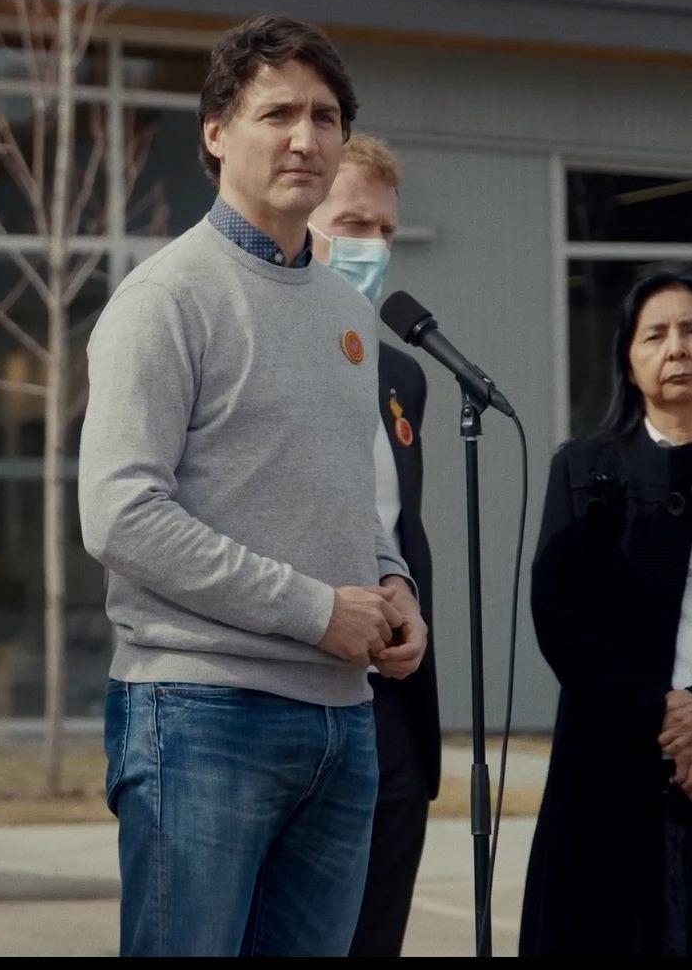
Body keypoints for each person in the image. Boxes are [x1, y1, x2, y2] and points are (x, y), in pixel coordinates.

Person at [79, 15, 427, 957]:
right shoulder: (167, 299)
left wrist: (392, 584)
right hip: (200, 715)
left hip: (342, 722)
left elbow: (356, 497)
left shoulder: (350, 318)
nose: (305, 138)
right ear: (216, 131)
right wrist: (316, 609)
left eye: (325, 117)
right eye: (277, 113)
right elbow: (120, 514)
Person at [521, 269, 692, 956]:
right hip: (616, 766)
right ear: (630, 363)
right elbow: (562, 615)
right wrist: (662, 719)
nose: (677, 348)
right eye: (655, 335)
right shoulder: (585, 469)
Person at [307, 132, 440, 957]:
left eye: (385, 231)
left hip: (390, 699)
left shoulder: (403, 374)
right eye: (351, 222)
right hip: (292, 683)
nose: (370, 246)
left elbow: (395, 524)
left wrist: (412, 605)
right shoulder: (262, 346)